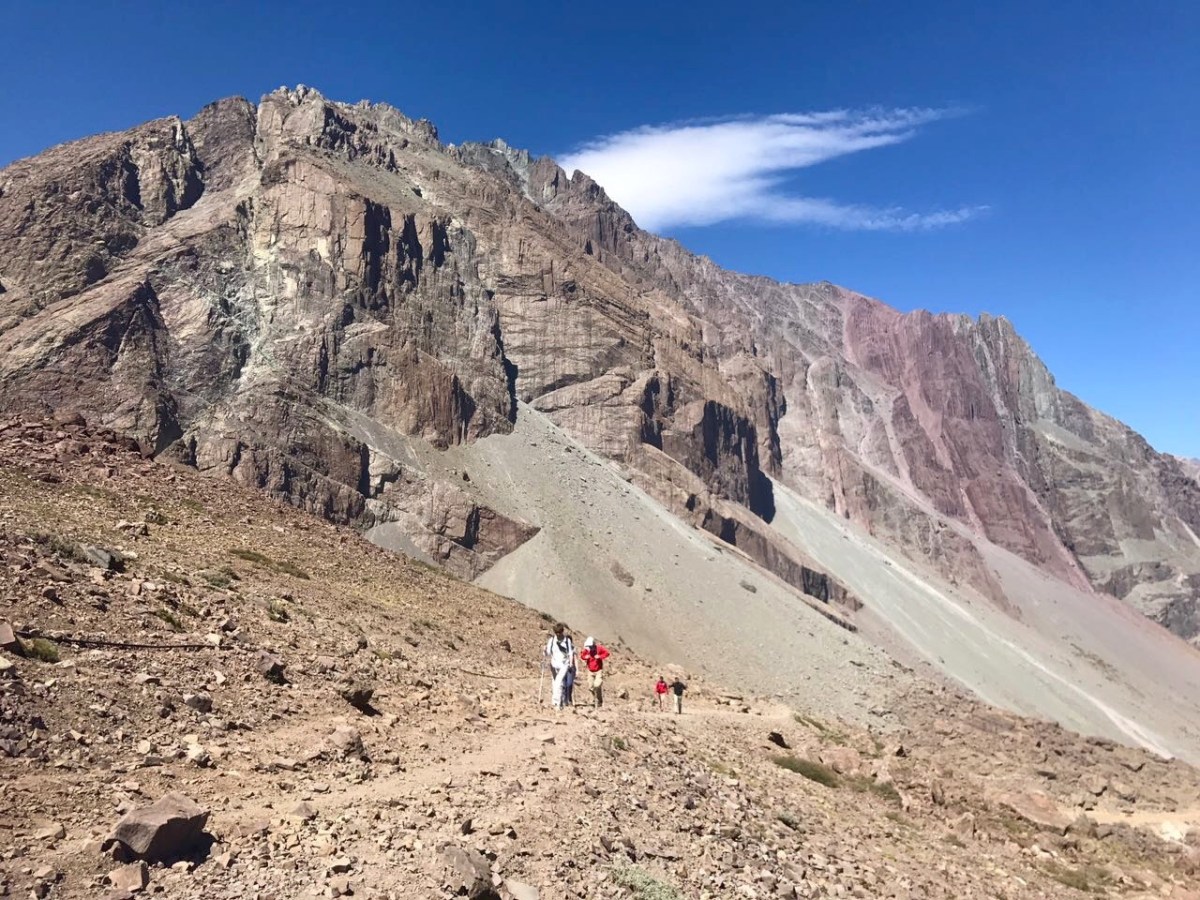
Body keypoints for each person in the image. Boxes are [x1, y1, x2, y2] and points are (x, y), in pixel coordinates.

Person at [544, 625, 575, 710]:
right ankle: (558, 701)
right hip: (554, 665)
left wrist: (571, 663)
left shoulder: (567, 641)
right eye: (556, 633)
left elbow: (570, 653)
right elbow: (548, 652)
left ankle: (557, 703)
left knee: (558, 682)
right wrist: (545, 651)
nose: (557, 634)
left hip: (564, 664)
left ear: (562, 632)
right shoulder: (552, 640)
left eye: (559, 632)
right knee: (555, 683)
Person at [579, 637, 610, 708]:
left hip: (598, 670)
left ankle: (599, 700)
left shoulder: (599, 648)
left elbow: (607, 653)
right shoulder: (587, 650)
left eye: (591, 646)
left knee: (597, 685)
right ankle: (595, 699)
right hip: (590, 671)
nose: (590, 648)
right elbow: (582, 656)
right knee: (591, 687)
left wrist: (600, 656)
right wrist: (585, 657)